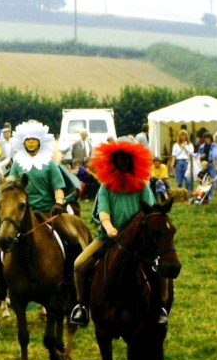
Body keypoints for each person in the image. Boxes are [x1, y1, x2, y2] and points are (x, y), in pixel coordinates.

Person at [69, 140, 164, 327]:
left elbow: (150, 210)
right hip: (108, 237)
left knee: (160, 266)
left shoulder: (141, 186)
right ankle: (81, 305)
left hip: (138, 239)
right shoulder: (106, 187)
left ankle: (160, 305)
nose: (122, 163)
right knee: (79, 264)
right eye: (118, 160)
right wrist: (109, 226)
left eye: (126, 160)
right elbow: (103, 211)